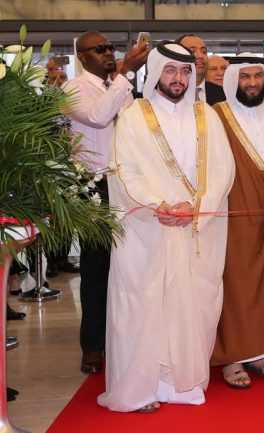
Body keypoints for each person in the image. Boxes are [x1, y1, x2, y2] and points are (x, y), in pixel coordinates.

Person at [99, 42, 235, 413]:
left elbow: (223, 171)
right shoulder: (133, 116)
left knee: (193, 305)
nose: (178, 78)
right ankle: (141, 387)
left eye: (185, 71)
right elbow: (123, 171)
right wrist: (157, 206)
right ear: (157, 73)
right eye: (171, 70)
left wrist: (197, 207)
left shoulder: (207, 116)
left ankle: (181, 384)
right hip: (148, 231)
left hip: (196, 228)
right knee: (144, 307)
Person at [63, 31, 149, 374]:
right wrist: (126, 73)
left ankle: (123, 339)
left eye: (110, 48)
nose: (108, 53)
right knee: (97, 269)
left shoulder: (119, 86)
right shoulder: (73, 88)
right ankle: (93, 346)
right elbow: (98, 116)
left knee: (128, 267)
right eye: (99, 49)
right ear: (82, 56)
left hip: (125, 185)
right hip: (94, 186)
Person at [210, 54, 264, 388]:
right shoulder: (217, 117)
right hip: (234, 211)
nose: (253, 83)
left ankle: (261, 353)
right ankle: (233, 357)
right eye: (245, 77)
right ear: (233, 81)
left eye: (258, 76)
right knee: (237, 283)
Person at [176, 34, 226, 105]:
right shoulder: (166, 92)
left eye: (204, 52)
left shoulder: (223, 94)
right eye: (192, 51)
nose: (200, 56)